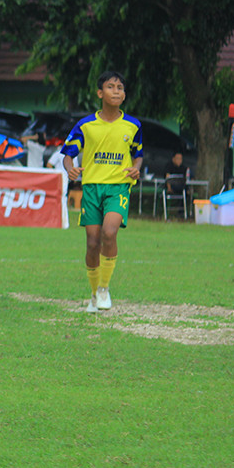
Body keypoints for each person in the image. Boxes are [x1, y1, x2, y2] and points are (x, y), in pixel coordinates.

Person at [60, 71, 143, 313]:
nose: (116, 91)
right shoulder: (85, 125)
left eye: (120, 88)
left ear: (124, 95)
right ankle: (94, 294)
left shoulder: (133, 125)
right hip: (91, 188)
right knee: (92, 242)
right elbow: (68, 155)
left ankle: (104, 289)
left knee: (109, 232)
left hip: (118, 186)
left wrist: (136, 168)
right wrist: (70, 169)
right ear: (100, 93)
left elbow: (138, 155)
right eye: (110, 86)